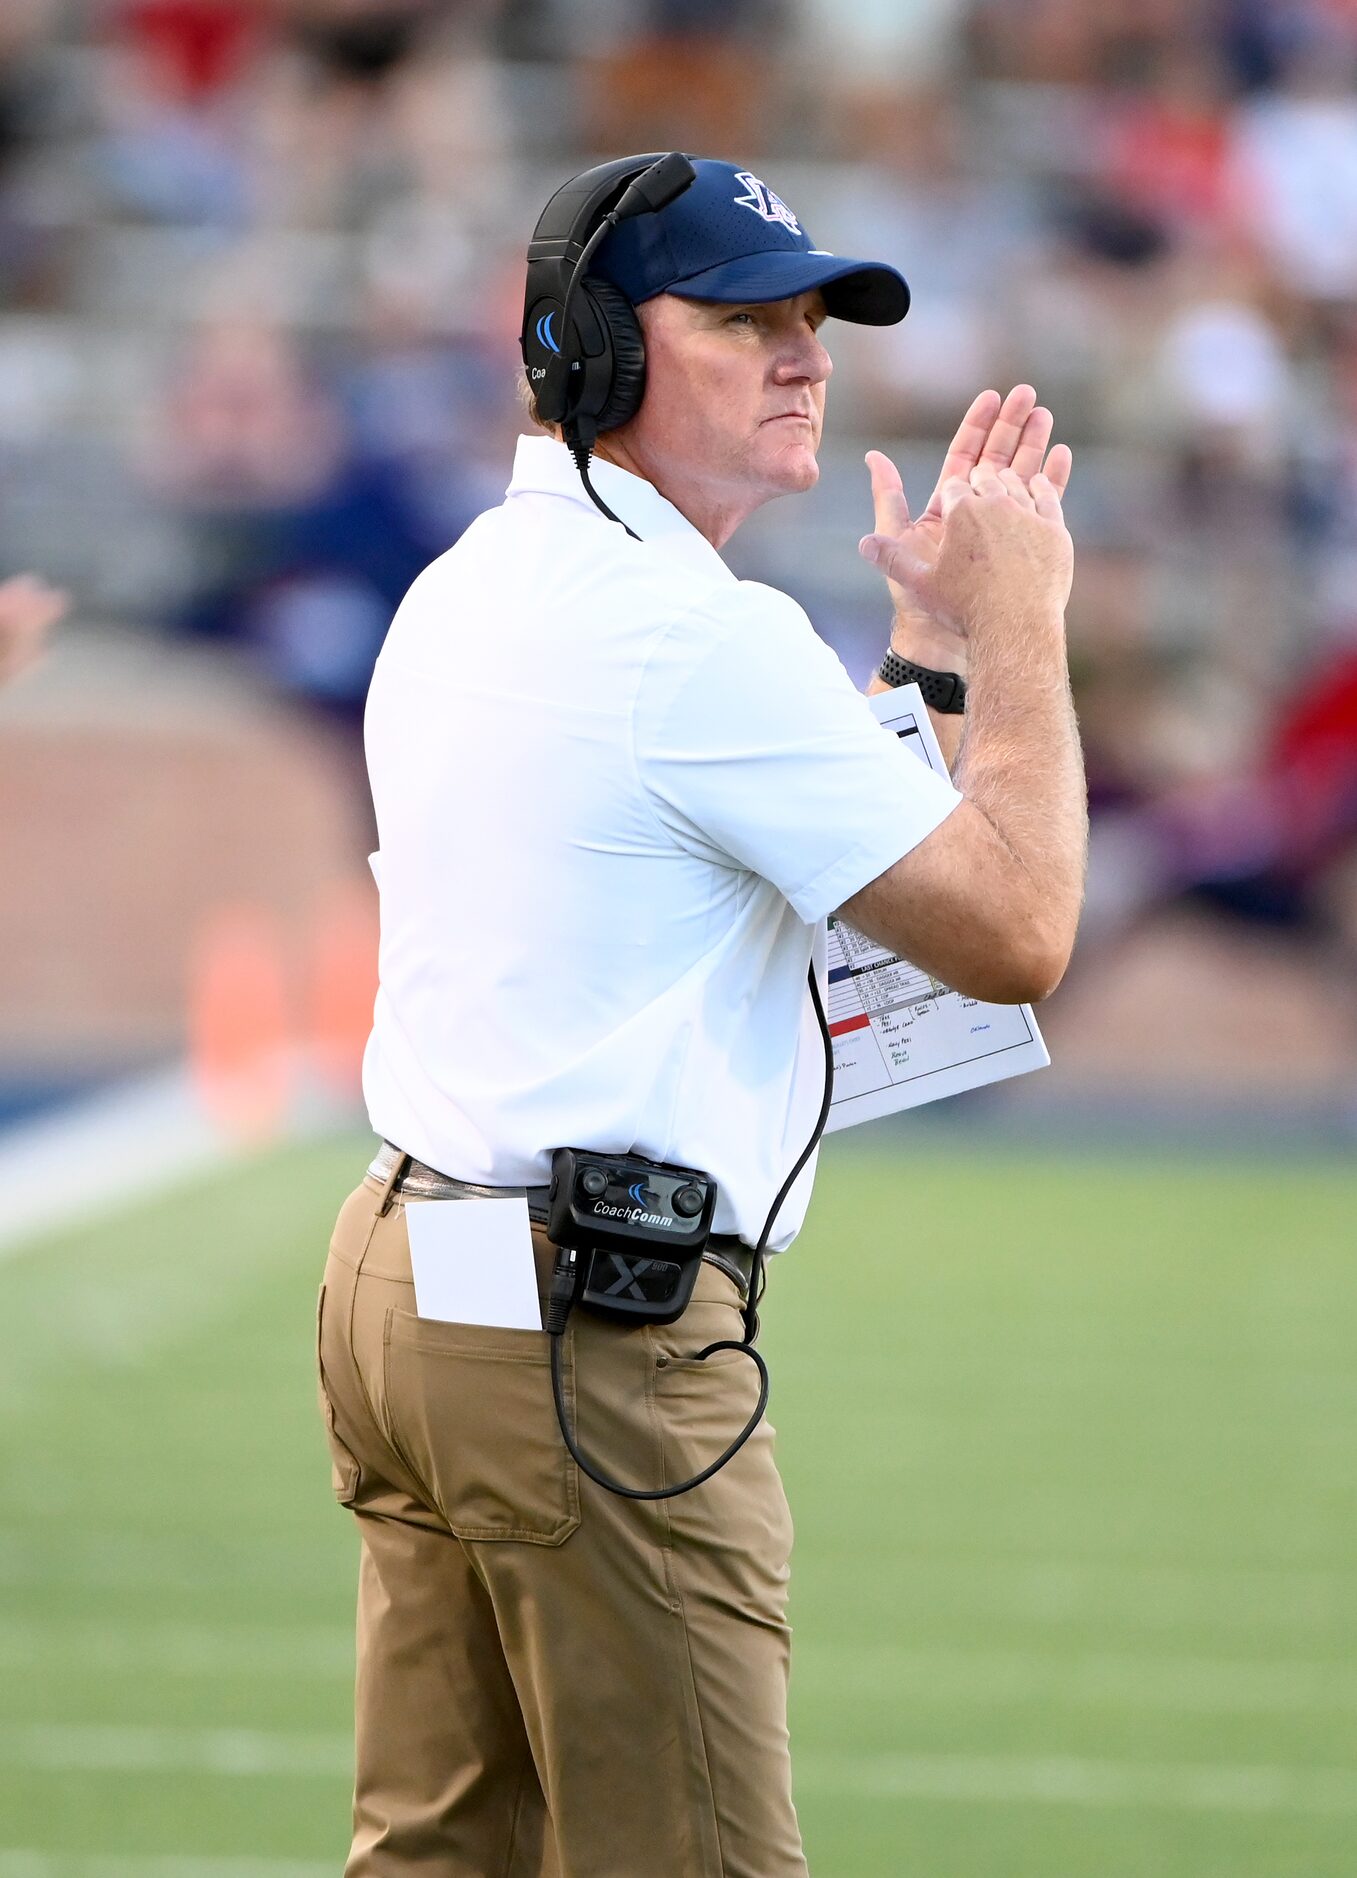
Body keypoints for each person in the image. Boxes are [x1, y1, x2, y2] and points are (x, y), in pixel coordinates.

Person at [316, 154, 1086, 1877]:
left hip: (410, 1270)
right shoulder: (694, 640)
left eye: (808, 317)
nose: (802, 351)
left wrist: (927, 665)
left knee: (441, 1854)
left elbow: (762, 893)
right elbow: (1017, 931)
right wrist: (1024, 633)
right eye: (743, 319)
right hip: (580, 1321)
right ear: (588, 349)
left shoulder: (475, 579)